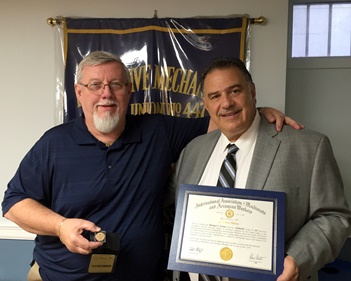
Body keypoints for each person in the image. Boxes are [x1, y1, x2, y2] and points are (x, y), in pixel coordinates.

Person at [2, 51, 302, 281]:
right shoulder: (53, 143)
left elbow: (221, 119)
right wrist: (60, 225)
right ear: (79, 93)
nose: (106, 93)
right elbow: (14, 203)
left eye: (115, 84)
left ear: (128, 91)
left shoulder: (158, 130)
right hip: (60, 277)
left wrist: (254, 108)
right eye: (95, 85)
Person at [169, 57, 351, 281]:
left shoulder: (309, 147)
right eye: (215, 96)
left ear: (252, 91)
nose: (226, 103)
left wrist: (298, 258)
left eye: (234, 91)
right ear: (205, 103)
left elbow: (334, 216)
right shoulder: (192, 151)